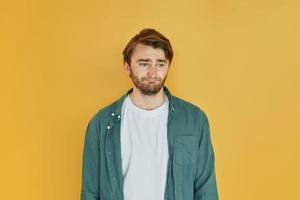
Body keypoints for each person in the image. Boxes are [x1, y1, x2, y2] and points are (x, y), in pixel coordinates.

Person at [80, 28, 219, 200]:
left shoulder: (195, 121)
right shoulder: (101, 124)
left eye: (160, 64)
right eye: (144, 63)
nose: (153, 72)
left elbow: (206, 190)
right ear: (127, 66)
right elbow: (90, 193)